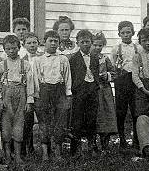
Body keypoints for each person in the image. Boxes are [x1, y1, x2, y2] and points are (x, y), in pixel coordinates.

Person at [0, 35, 34, 164]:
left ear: (19, 47)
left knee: (18, 125)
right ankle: (7, 155)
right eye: (8, 49)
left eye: (14, 48)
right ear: (4, 49)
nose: (11, 51)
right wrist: (0, 99)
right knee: (6, 126)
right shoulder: (1, 65)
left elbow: (31, 83)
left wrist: (29, 101)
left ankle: (17, 155)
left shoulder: (25, 64)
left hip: (21, 94)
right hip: (6, 95)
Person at [32, 30, 72, 161]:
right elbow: (36, 79)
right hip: (44, 91)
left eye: (56, 41)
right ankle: (45, 152)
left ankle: (58, 151)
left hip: (59, 91)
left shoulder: (63, 59)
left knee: (59, 121)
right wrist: (37, 95)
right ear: (44, 42)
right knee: (44, 122)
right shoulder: (38, 60)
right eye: (51, 41)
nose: (54, 44)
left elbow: (67, 78)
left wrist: (68, 94)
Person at [110, 21, 142, 148]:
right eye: (123, 33)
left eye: (128, 32)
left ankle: (136, 138)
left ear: (133, 33)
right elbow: (113, 65)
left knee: (135, 110)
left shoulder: (138, 48)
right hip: (121, 80)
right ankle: (122, 138)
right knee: (121, 111)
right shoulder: (116, 48)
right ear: (119, 34)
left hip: (134, 80)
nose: (126, 35)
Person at [70, 29, 100, 155]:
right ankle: (75, 148)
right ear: (78, 43)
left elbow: (96, 73)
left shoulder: (94, 57)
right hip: (79, 91)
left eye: (88, 42)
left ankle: (92, 145)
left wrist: (96, 84)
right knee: (77, 119)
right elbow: (72, 76)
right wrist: (75, 89)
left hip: (92, 89)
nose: (86, 44)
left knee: (91, 119)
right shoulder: (73, 59)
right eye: (82, 42)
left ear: (91, 42)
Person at [92, 32, 117, 151]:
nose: (97, 48)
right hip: (93, 92)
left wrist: (106, 76)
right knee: (94, 116)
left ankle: (105, 144)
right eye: (95, 45)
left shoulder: (105, 58)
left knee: (106, 116)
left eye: (100, 45)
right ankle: (93, 144)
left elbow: (114, 73)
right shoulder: (88, 58)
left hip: (105, 91)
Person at [21, 32, 43, 156]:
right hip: (27, 95)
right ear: (23, 45)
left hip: (41, 94)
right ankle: (27, 149)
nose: (32, 45)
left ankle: (46, 148)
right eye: (29, 43)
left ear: (38, 44)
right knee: (27, 122)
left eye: (34, 42)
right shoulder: (22, 61)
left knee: (43, 121)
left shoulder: (43, 57)